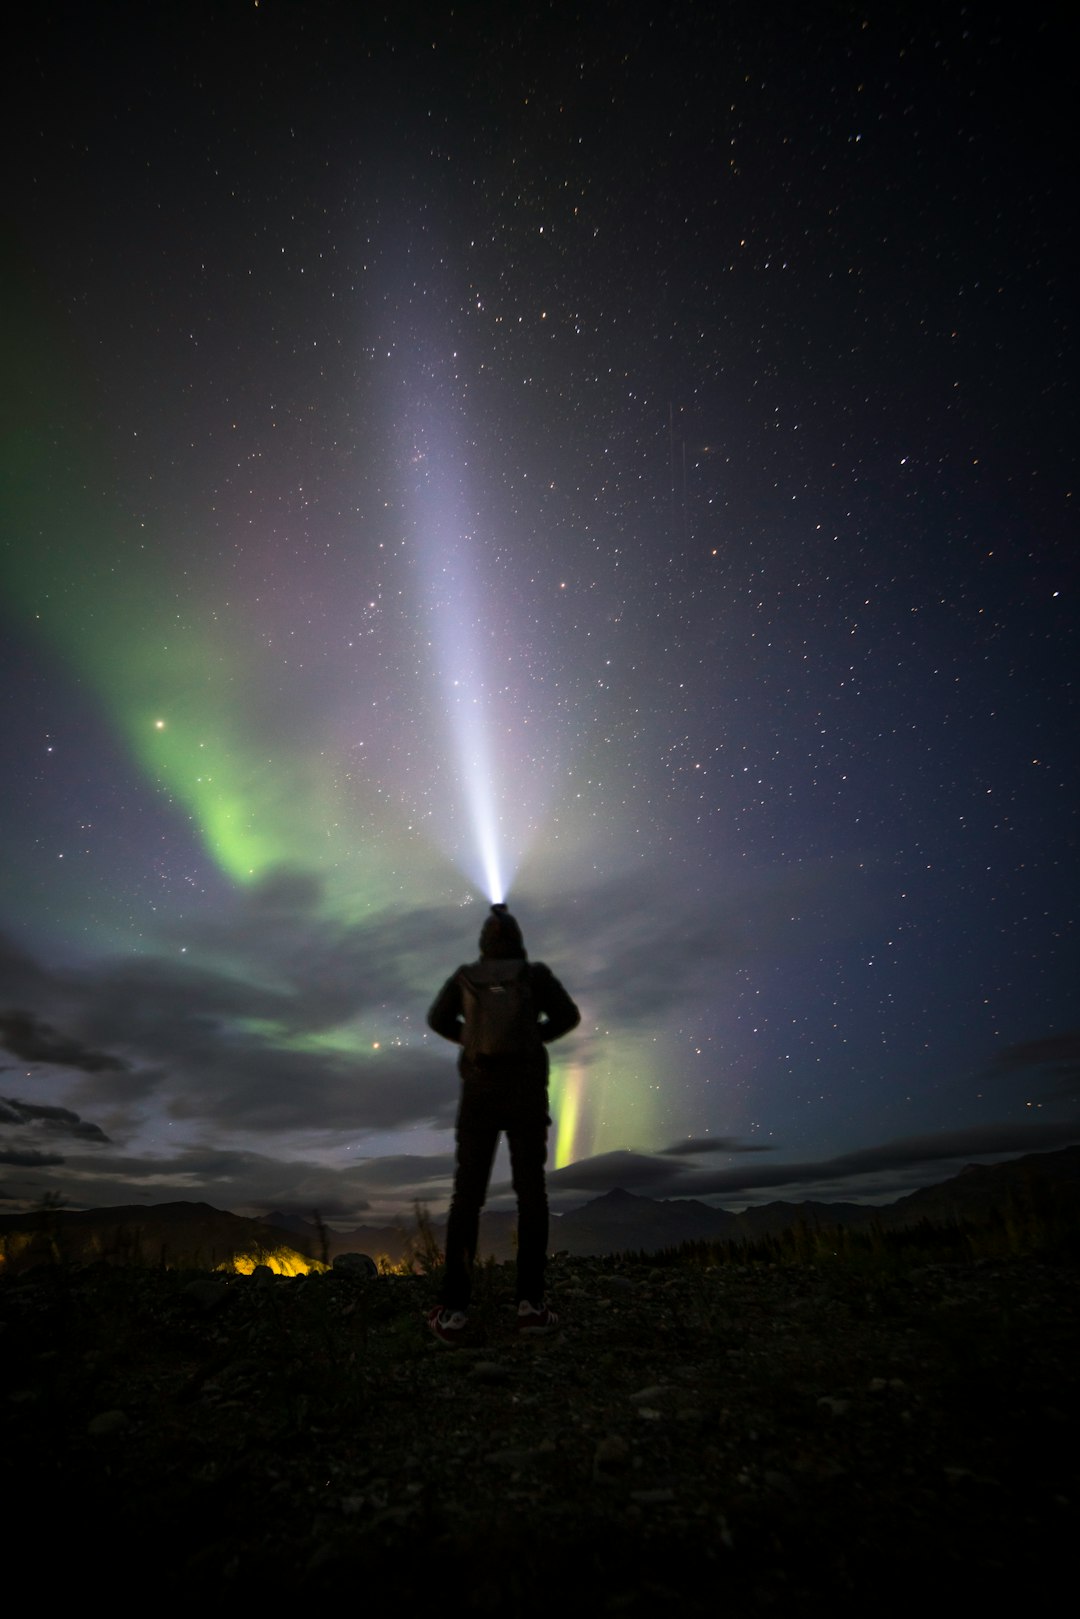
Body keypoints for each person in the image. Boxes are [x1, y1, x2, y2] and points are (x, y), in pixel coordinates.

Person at [426, 902, 580, 1345]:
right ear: (517, 938)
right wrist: (533, 1040)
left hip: (480, 1092)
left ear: (483, 942)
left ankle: (454, 1312)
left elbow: (438, 1019)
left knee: (467, 1198)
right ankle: (530, 1308)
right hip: (527, 1093)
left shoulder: (465, 977)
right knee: (531, 1194)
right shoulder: (536, 976)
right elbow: (568, 1017)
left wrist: (472, 1040)